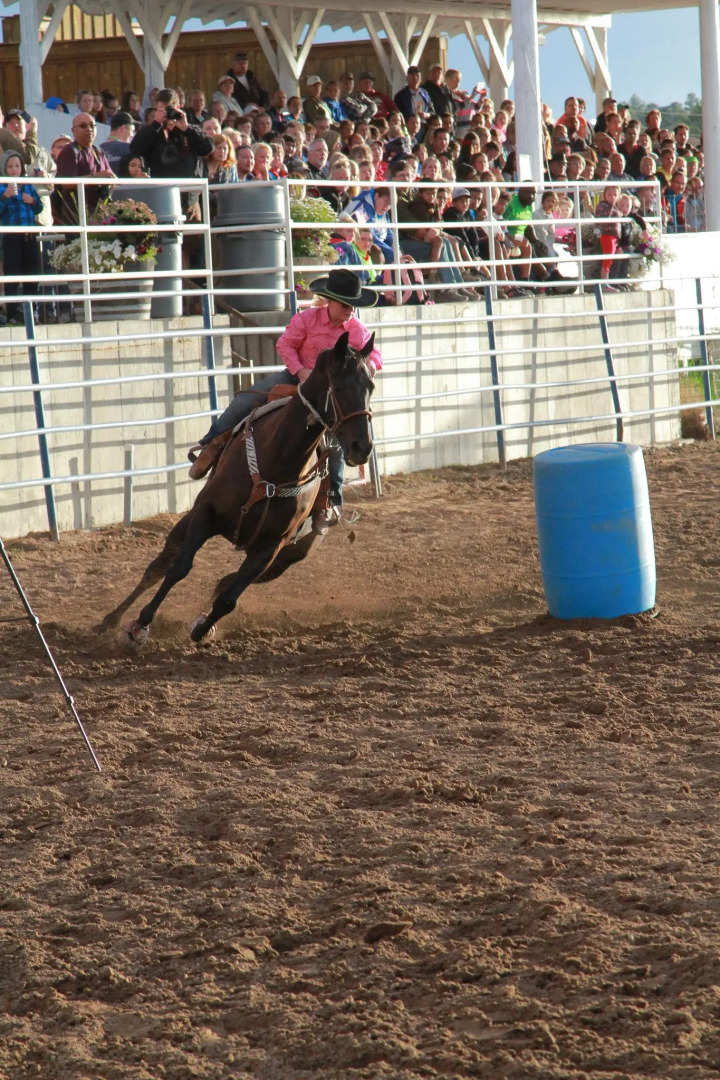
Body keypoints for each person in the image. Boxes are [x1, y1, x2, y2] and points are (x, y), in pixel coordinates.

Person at [187, 267, 382, 521]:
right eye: (346, 305)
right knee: (244, 401)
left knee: (334, 444)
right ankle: (210, 446)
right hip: (295, 377)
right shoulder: (307, 319)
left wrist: (368, 366)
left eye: (353, 305)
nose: (351, 310)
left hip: (329, 392)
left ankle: (331, 500)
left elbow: (374, 355)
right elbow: (286, 344)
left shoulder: (356, 330)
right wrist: (300, 371)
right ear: (331, 302)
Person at [0, 150, 43, 324]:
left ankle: (31, 312)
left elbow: (39, 207)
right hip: (12, 236)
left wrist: (32, 201)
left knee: (31, 273)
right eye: (10, 166)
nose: (13, 169)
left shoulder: (28, 185)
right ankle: (12, 313)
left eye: (17, 166)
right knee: (12, 273)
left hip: (29, 235)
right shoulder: (2, 185)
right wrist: (5, 196)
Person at [53, 112, 114, 221]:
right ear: (73, 130)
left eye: (92, 125)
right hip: (77, 217)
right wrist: (96, 177)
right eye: (83, 126)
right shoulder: (69, 151)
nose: (89, 129)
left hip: (99, 215)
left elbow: (112, 177)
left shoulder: (98, 151)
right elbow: (66, 183)